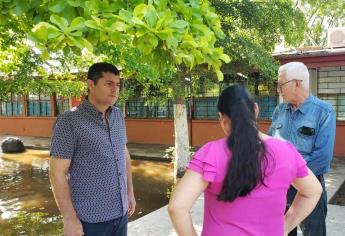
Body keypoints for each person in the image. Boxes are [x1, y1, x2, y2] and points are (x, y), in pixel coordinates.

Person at [168, 85, 322, 236]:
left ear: (221, 118)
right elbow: (313, 191)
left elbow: (177, 207)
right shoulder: (286, 151)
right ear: (255, 110)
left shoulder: (211, 153)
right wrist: (285, 226)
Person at [50, 62, 136, 236]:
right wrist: (69, 219)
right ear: (91, 84)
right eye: (109, 84)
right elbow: (56, 173)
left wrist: (130, 193)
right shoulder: (69, 121)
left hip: (120, 212)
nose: (115, 89)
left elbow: (123, 154)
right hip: (90, 219)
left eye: (118, 84)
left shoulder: (117, 115)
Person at [268, 61, 336, 236]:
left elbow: (322, 158)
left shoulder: (324, 112)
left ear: (297, 83)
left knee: (313, 232)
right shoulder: (279, 110)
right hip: (281, 188)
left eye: (281, 84)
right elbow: (270, 146)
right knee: (281, 231)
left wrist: (291, 174)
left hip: (310, 186)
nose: (278, 89)